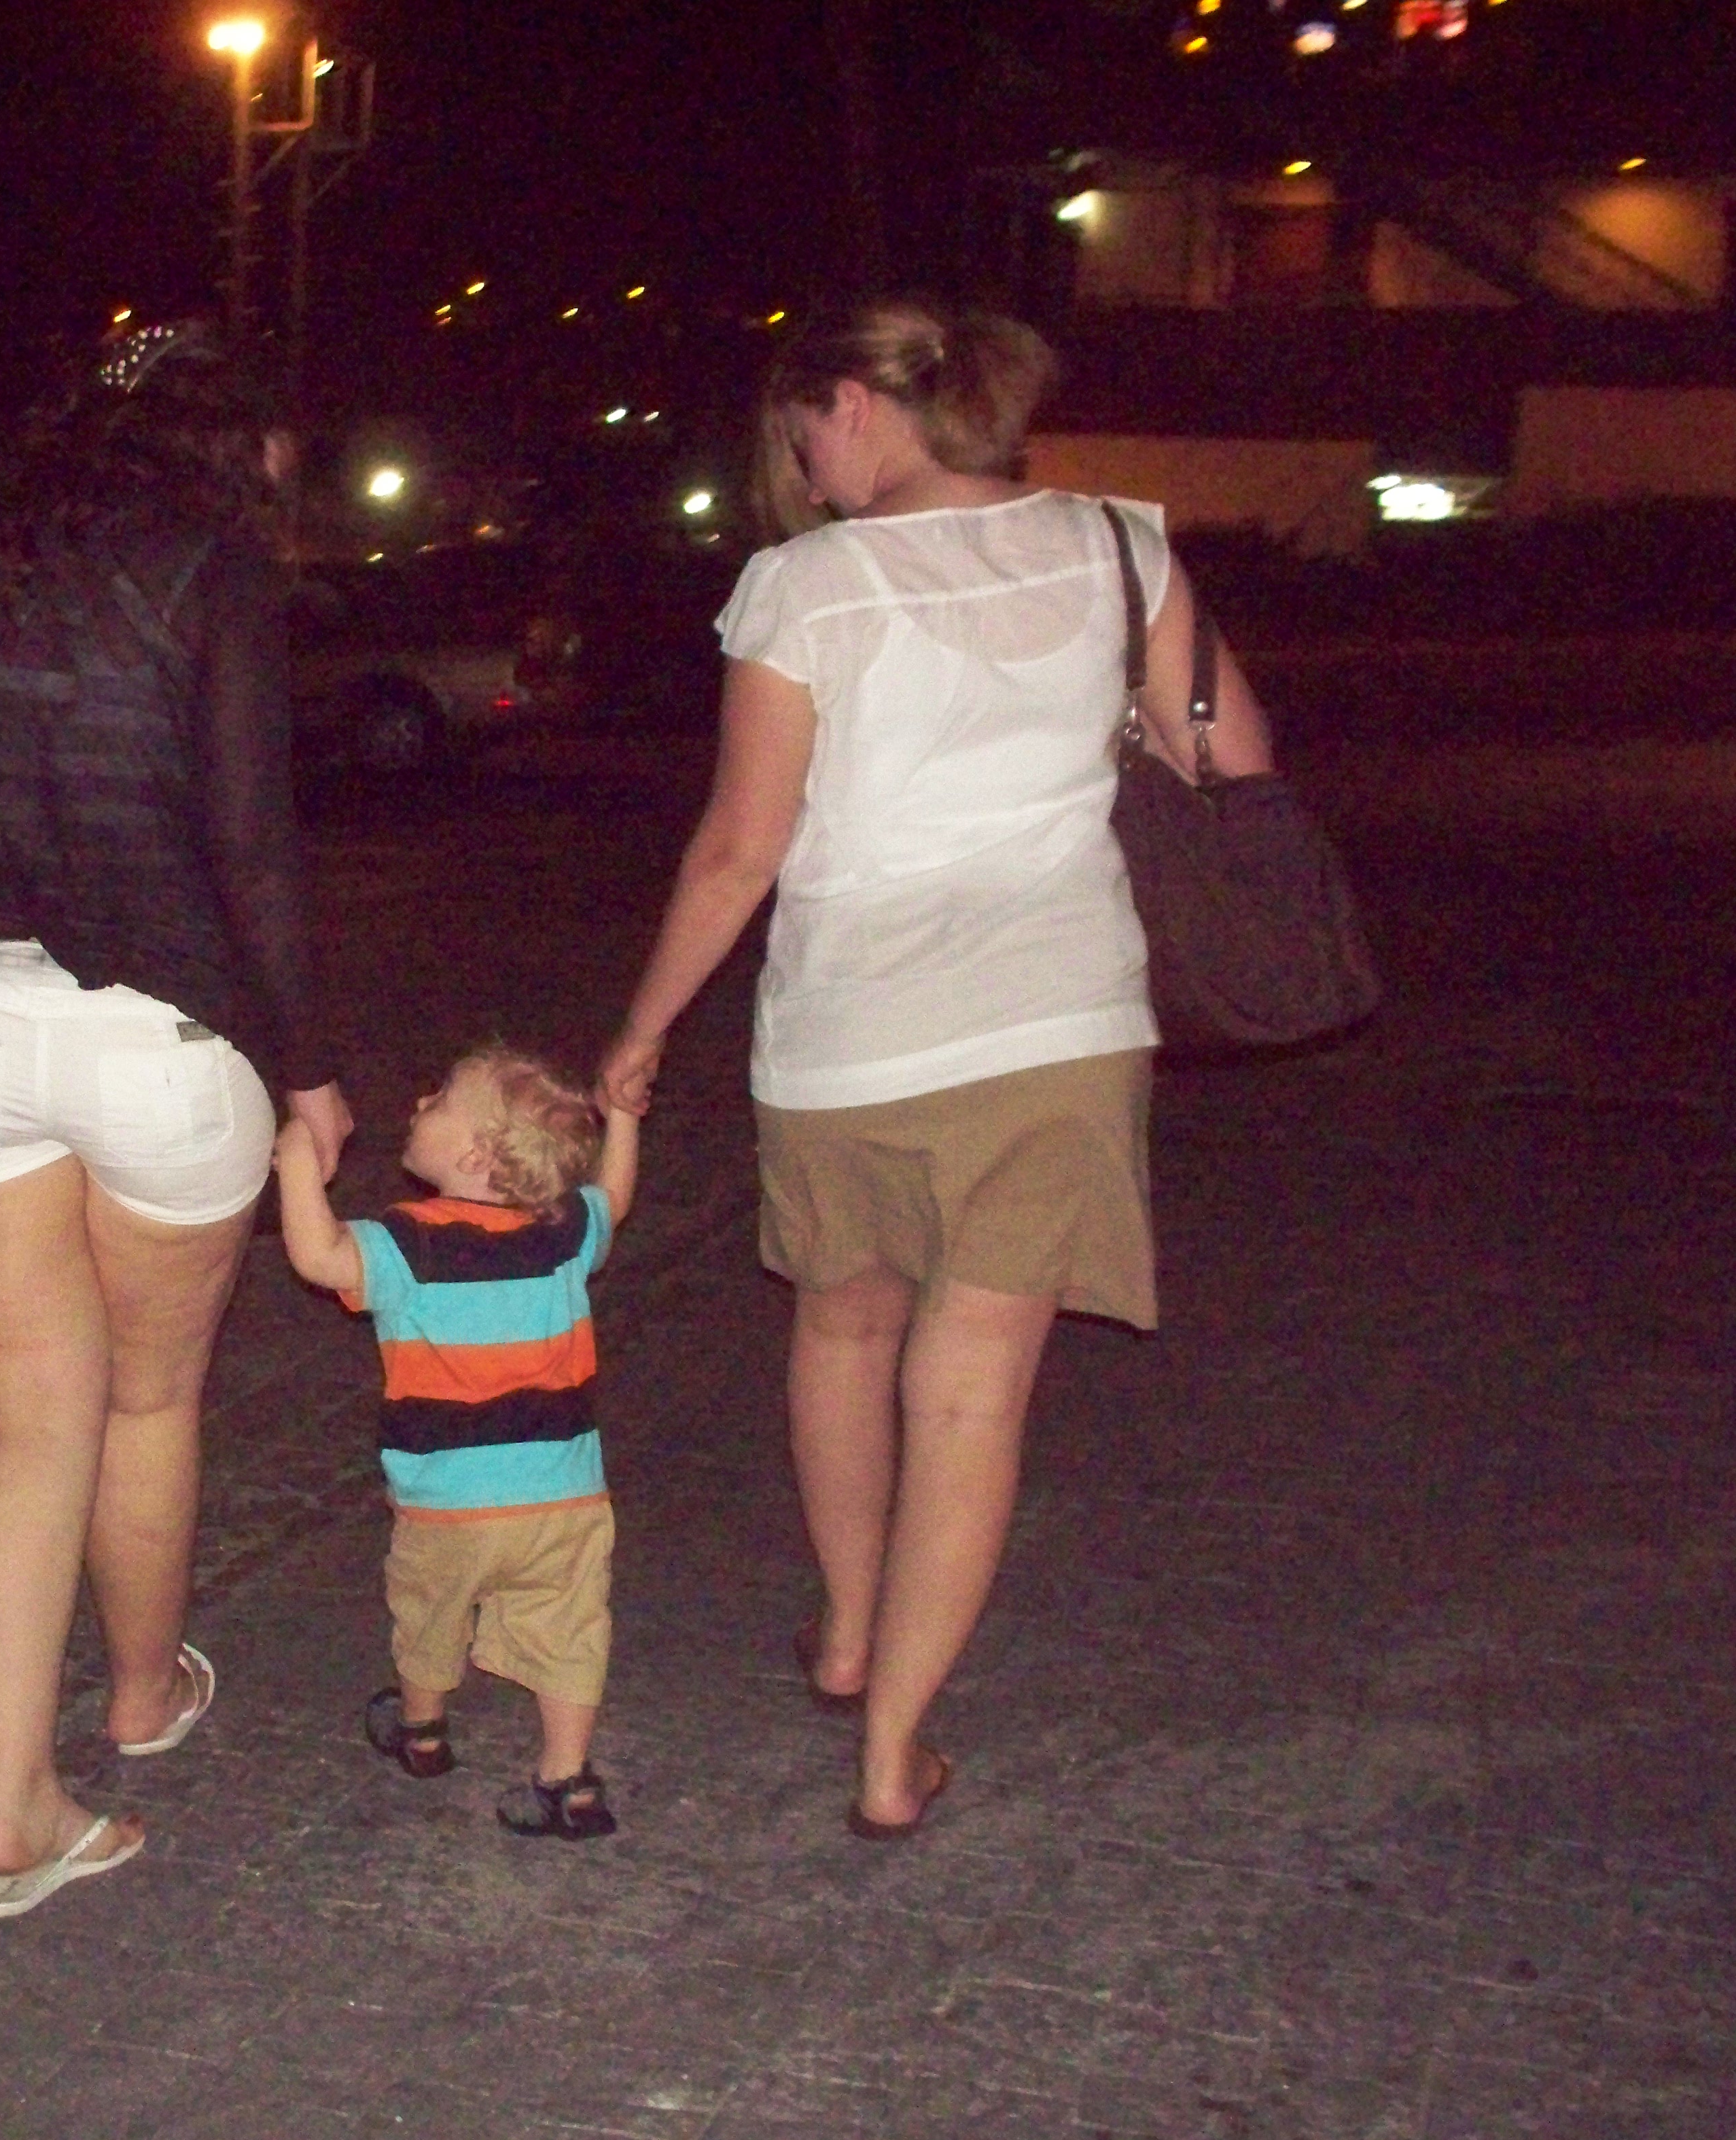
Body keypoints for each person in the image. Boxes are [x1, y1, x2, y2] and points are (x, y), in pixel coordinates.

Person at [598, 298, 1274, 1840]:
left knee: (843, 1328)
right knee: (969, 1395)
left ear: (850, 402)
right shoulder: (1116, 545)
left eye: (801, 439)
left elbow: (738, 849)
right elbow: (1231, 761)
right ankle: (893, 1748)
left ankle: (846, 1631)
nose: (803, 475)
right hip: (1054, 1030)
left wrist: (640, 1031)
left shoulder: (804, 586)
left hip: (847, 1033)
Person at [0, 321, 353, 1916]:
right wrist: (305, 1067)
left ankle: (10, 1808)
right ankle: (142, 1696)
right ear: (236, 447)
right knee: (144, 1402)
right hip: (159, 1031)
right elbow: (249, 842)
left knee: (21, 1420)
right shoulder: (213, 563)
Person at [272, 1046, 639, 1840]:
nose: (418, 1104)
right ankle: (568, 1779)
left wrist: (296, 1163)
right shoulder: (564, 1233)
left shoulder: (407, 1245)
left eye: (437, 1101)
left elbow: (317, 1255)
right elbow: (613, 1198)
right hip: (564, 1499)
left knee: (430, 1613)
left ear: (473, 1158)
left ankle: (422, 1730)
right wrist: (624, 1122)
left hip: (450, 1507)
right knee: (570, 1629)